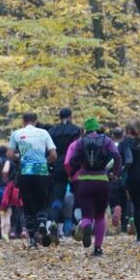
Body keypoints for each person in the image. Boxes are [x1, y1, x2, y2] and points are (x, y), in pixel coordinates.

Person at [65, 118, 122, 256]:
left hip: (84, 182)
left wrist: (73, 173)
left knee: (87, 215)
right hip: (102, 181)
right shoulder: (106, 140)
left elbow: (71, 161)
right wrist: (114, 173)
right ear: (96, 128)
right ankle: (97, 248)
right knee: (100, 216)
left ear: (85, 129)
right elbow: (117, 156)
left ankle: (87, 226)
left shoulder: (80, 142)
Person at [8, 112, 58, 247]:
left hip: (25, 172)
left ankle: (32, 240)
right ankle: (42, 223)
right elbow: (53, 155)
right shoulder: (44, 133)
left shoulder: (16, 133)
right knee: (42, 203)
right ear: (36, 120)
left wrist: (20, 158)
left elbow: (10, 154)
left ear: (23, 121)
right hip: (41, 172)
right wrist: (45, 162)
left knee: (28, 206)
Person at [49, 107, 81, 235]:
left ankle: (54, 221)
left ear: (59, 117)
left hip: (57, 165)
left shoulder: (53, 131)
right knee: (77, 196)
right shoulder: (76, 130)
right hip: (73, 165)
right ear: (71, 116)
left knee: (58, 196)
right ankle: (76, 224)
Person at [108, 126, 131, 233]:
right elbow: (129, 161)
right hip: (123, 178)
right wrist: (123, 170)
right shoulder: (125, 145)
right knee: (124, 201)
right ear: (123, 135)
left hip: (110, 178)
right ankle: (124, 225)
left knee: (111, 200)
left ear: (113, 135)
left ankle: (114, 210)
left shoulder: (109, 146)